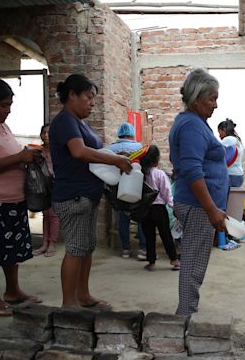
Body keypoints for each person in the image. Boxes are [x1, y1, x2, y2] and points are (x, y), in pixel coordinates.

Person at [49, 74, 132, 309]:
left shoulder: (78, 122)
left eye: (93, 98)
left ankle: (83, 295)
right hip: (72, 196)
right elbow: (79, 152)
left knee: (86, 247)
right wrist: (114, 160)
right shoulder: (65, 120)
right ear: (72, 95)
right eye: (89, 97)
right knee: (76, 248)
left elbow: (92, 153)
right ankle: (69, 303)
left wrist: (115, 157)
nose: (92, 103)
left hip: (86, 195)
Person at [0, 78, 43, 316]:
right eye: (3, 105)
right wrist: (18, 158)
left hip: (10, 202)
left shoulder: (1, 126)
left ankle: (13, 291)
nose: (8, 110)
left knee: (10, 250)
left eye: (10, 105)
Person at [169, 68, 229, 316]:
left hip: (198, 205)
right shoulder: (192, 125)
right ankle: (185, 316)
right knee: (193, 263)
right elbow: (193, 171)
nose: (216, 105)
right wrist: (211, 208)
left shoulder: (194, 123)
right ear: (195, 98)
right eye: (211, 99)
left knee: (195, 260)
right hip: (197, 206)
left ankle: (187, 311)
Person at [107, 122, 147, 260]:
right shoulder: (139, 147)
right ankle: (142, 249)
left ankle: (125, 249)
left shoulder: (110, 148)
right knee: (140, 217)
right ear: (132, 133)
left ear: (119, 133)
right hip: (136, 186)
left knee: (123, 218)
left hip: (118, 187)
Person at [139, 145, 180, 272]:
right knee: (166, 235)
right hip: (159, 210)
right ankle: (174, 260)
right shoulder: (160, 174)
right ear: (157, 159)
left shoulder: (140, 174)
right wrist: (173, 207)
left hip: (145, 209)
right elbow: (167, 193)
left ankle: (151, 263)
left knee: (149, 237)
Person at [33, 124, 59, 257]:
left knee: (53, 215)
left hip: (55, 186)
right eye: (44, 133)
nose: (46, 136)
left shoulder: (58, 151)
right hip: (42, 187)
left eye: (49, 133)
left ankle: (52, 243)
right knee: (45, 215)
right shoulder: (38, 151)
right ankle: (44, 243)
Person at [217, 118, 244, 187]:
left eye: (220, 132)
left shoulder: (228, 139)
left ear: (224, 130)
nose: (219, 136)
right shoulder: (237, 140)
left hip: (230, 174)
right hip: (239, 174)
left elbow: (217, 151)